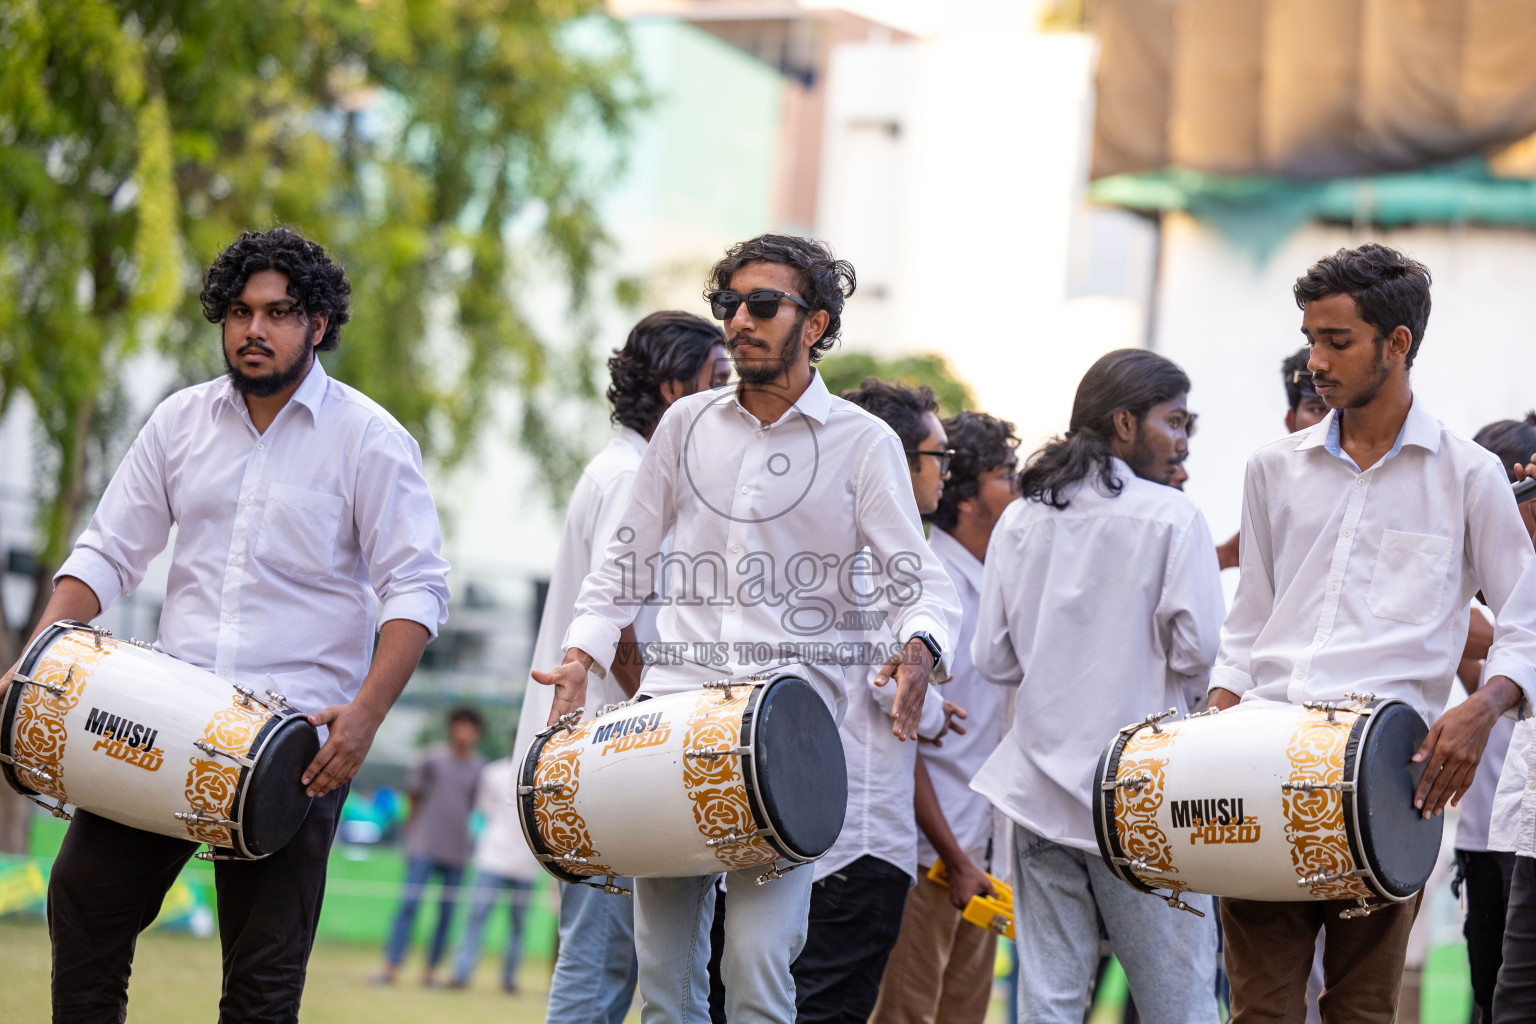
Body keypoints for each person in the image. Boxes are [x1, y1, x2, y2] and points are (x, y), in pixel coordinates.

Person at [0, 226, 451, 1023]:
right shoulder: (180, 422)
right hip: (167, 725)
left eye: (278, 313)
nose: (254, 330)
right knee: (84, 907)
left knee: (262, 980)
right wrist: (35, 656)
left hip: (296, 742)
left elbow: (415, 588)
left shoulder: (371, 440)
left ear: (316, 324)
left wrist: (366, 717)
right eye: (240, 312)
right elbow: (108, 551)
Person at [532, 233, 962, 1024]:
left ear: (817, 322)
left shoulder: (863, 444)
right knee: (664, 977)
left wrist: (921, 646)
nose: (739, 321)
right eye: (728, 304)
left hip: (786, 739)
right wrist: (578, 653)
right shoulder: (685, 426)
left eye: (763, 305)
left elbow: (919, 580)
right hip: (668, 726)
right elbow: (622, 566)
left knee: (759, 967)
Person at [1208, 244, 1536, 1023]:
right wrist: (1207, 737)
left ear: (1399, 343)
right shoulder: (1270, 468)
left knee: (1361, 1009)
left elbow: (1526, 617)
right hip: (1258, 763)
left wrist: (1484, 706)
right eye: (1311, 338)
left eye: (1337, 341)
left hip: (1391, 782)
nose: (1315, 360)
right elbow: (1248, 622)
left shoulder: (1466, 474)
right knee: (1259, 1010)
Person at [970, 348, 1225, 1023]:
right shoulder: (1174, 518)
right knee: (1181, 1001)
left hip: (1037, 794)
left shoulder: (1022, 517)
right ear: (1123, 423)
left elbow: (993, 660)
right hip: (1144, 797)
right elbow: (1201, 654)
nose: (1183, 439)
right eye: (1176, 420)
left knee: (1049, 1001)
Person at [511, 309, 730, 1023]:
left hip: (610, 762)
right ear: (674, 389)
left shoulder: (633, 471)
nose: (730, 399)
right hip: (612, 763)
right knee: (603, 966)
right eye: (717, 381)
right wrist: (666, 739)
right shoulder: (629, 476)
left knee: (632, 966)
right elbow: (622, 628)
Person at [791, 378, 959, 1022]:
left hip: (809, 834)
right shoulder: (877, 565)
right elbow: (886, 678)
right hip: (856, 838)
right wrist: (939, 710)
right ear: (891, 457)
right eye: (937, 456)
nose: (947, 473)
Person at [869, 410, 1020, 1024]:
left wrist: (973, 861)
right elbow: (901, 740)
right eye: (1004, 476)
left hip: (977, 855)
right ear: (962, 496)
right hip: (928, 857)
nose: (1018, 491)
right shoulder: (932, 593)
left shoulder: (998, 581)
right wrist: (953, 858)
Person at [378, 706, 485, 986]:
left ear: (477, 734)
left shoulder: (479, 768)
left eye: (470, 727)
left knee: (447, 913)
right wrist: (413, 836)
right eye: (459, 725)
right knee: (409, 906)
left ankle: (430, 971)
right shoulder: (432, 758)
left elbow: (474, 807)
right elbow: (413, 796)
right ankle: (391, 967)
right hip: (424, 845)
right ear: (452, 728)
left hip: (457, 851)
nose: (464, 732)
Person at [447, 732, 542, 993]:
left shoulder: (544, 774)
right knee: (476, 917)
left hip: (527, 862)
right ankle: (461, 973)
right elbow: (484, 811)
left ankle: (509, 979)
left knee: (518, 924)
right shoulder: (492, 773)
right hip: (493, 857)